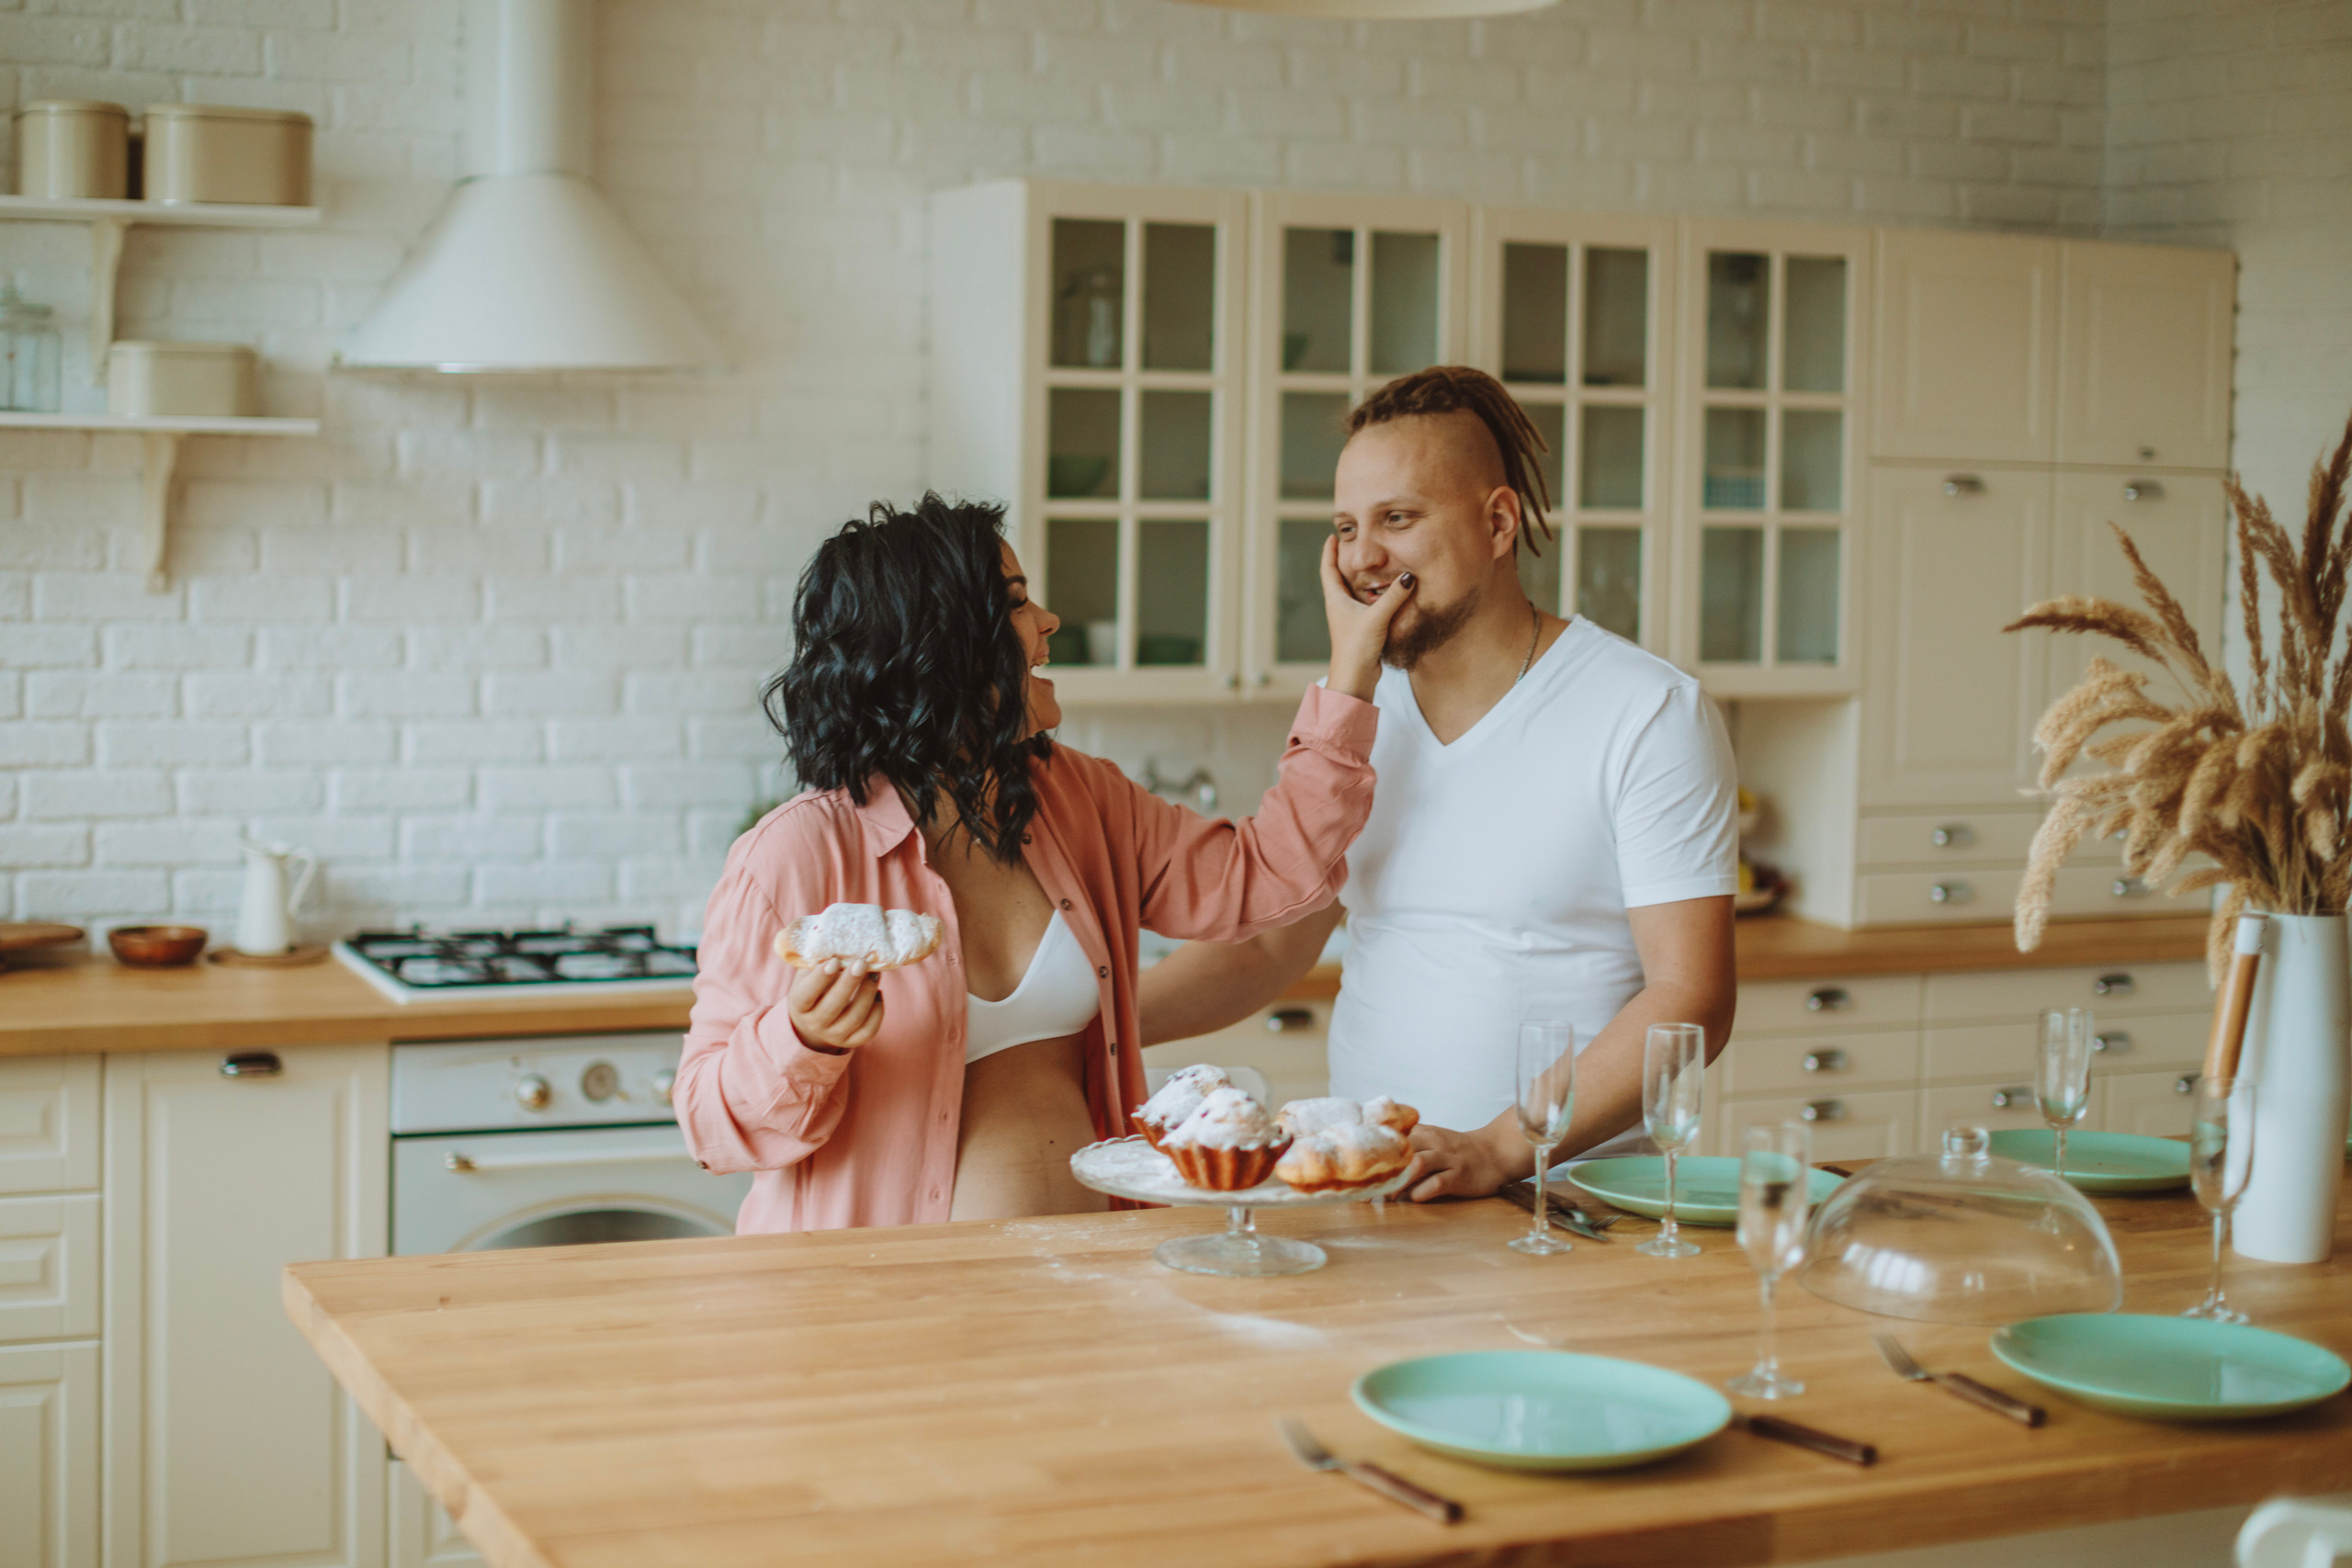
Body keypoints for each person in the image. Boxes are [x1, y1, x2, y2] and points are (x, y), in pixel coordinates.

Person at [674, 493, 1411, 1233]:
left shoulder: (1082, 798)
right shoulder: (797, 854)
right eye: (1017, 601)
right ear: (941, 644)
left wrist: (1351, 672)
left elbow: (1265, 874)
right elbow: (709, 1126)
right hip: (881, 1304)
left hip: (1088, 1282)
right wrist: (805, 1040)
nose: (1049, 621)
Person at [1139, 367, 1738, 1201]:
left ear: (1498, 523)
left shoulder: (1647, 711)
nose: (1362, 557)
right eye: (1345, 527)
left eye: (1399, 518)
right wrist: (1094, 1022)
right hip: (1373, 1197)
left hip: (1558, 1205)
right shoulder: (1357, 712)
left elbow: (1692, 998)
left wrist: (1498, 1147)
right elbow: (1275, 941)